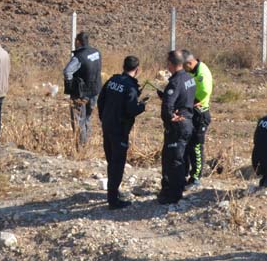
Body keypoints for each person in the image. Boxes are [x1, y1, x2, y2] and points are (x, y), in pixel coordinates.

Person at [97, 56, 147, 210]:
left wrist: (104, 118)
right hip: (119, 130)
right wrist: (142, 105)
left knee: (111, 160)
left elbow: (101, 100)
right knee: (117, 164)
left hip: (107, 126)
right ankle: (113, 200)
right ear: (137, 70)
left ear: (123, 66)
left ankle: (114, 191)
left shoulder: (113, 81)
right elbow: (131, 109)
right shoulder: (130, 87)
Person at [158, 50, 196, 205]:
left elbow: (167, 106)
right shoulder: (189, 78)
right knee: (181, 157)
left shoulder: (175, 82)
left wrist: (169, 118)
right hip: (188, 122)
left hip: (178, 125)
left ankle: (173, 194)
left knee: (173, 159)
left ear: (171, 64)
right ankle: (176, 189)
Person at [178, 50, 213, 189]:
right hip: (192, 113)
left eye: (184, 66)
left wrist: (189, 102)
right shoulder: (193, 70)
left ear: (189, 63)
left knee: (196, 147)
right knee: (187, 145)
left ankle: (196, 178)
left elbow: (204, 92)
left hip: (200, 114)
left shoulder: (202, 73)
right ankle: (185, 174)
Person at [63, 32, 102, 147]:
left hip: (80, 93)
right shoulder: (96, 52)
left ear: (78, 42)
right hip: (95, 91)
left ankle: (81, 147)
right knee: (87, 118)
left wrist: (70, 85)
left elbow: (67, 71)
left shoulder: (79, 57)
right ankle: (87, 143)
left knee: (79, 120)